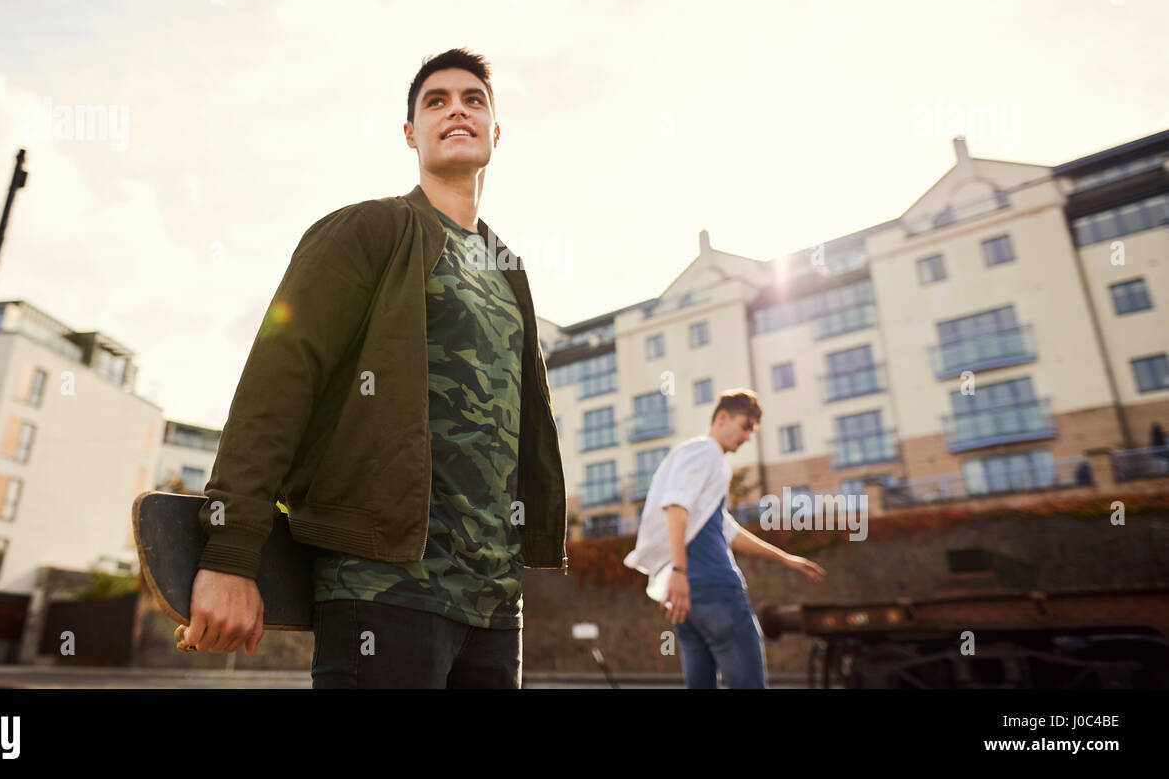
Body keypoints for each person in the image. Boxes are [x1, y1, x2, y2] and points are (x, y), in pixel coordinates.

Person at [182, 48, 568, 689]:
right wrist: (230, 553)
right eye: (436, 101)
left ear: (495, 133)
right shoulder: (369, 230)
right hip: (382, 588)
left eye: (473, 100)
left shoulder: (508, 269)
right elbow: (279, 381)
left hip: (496, 605)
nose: (456, 111)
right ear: (411, 133)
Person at [624, 389, 825, 688]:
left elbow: (726, 530)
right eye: (745, 426)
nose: (747, 437)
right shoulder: (705, 451)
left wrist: (786, 558)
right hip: (713, 588)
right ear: (722, 417)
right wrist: (679, 572)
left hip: (689, 601)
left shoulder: (700, 460)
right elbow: (676, 507)